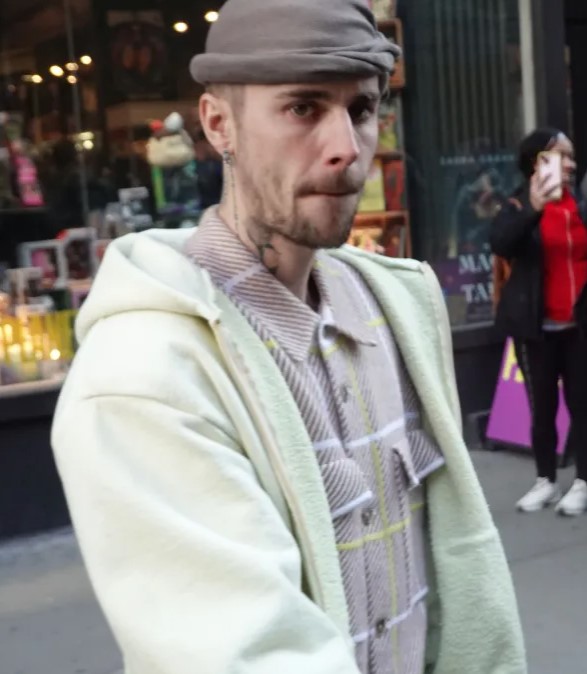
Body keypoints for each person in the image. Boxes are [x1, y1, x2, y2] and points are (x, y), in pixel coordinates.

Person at [52, 1, 526, 673]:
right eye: (303, 107)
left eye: (361, 109)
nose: (346, 147)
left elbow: (455, 567)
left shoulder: (396, 308)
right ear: (218, 123)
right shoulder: (143, 374)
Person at [491, 128, 587, 515]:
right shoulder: (518, 204)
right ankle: (545, 480)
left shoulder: (580, 204)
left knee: (582, 405)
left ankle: (583, 482)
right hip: (537, 326)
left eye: (571, 156)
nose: (571, 164)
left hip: (578, 325)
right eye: (561, 156)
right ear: (537, 162)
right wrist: (533, 207)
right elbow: (501, 243)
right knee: (542, 408)